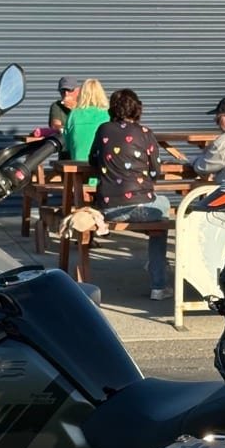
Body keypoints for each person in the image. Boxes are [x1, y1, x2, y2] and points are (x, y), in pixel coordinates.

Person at [89, 88, 173, 300]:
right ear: (137, 109)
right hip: (142, 209)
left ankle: (156, 266)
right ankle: (158, 284)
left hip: (109, 209)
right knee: (163, 208)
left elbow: (93, 160)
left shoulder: (103, 130)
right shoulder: (145, 133)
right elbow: (156, 172)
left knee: (159, 214)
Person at [63, 78, 109, 181]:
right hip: (103, 175)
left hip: (79, 173)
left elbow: (67, 145)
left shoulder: (73, 114)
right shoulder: (108, 115)